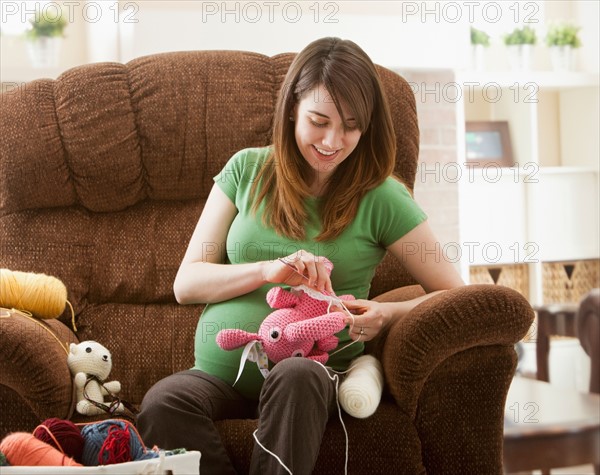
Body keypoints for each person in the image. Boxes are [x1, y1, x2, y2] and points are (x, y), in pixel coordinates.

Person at [137, 36, 464, 474]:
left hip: (313, 373)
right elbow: (187, 284)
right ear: (292, 107)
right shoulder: (246, 170)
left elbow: (455, 297)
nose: (333, 140)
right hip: (222, 375)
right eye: (319, 120)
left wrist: (387, 313)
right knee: (163, 403)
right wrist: (268, 271)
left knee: (297, 375)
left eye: (351, 125)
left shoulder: (382, 196)